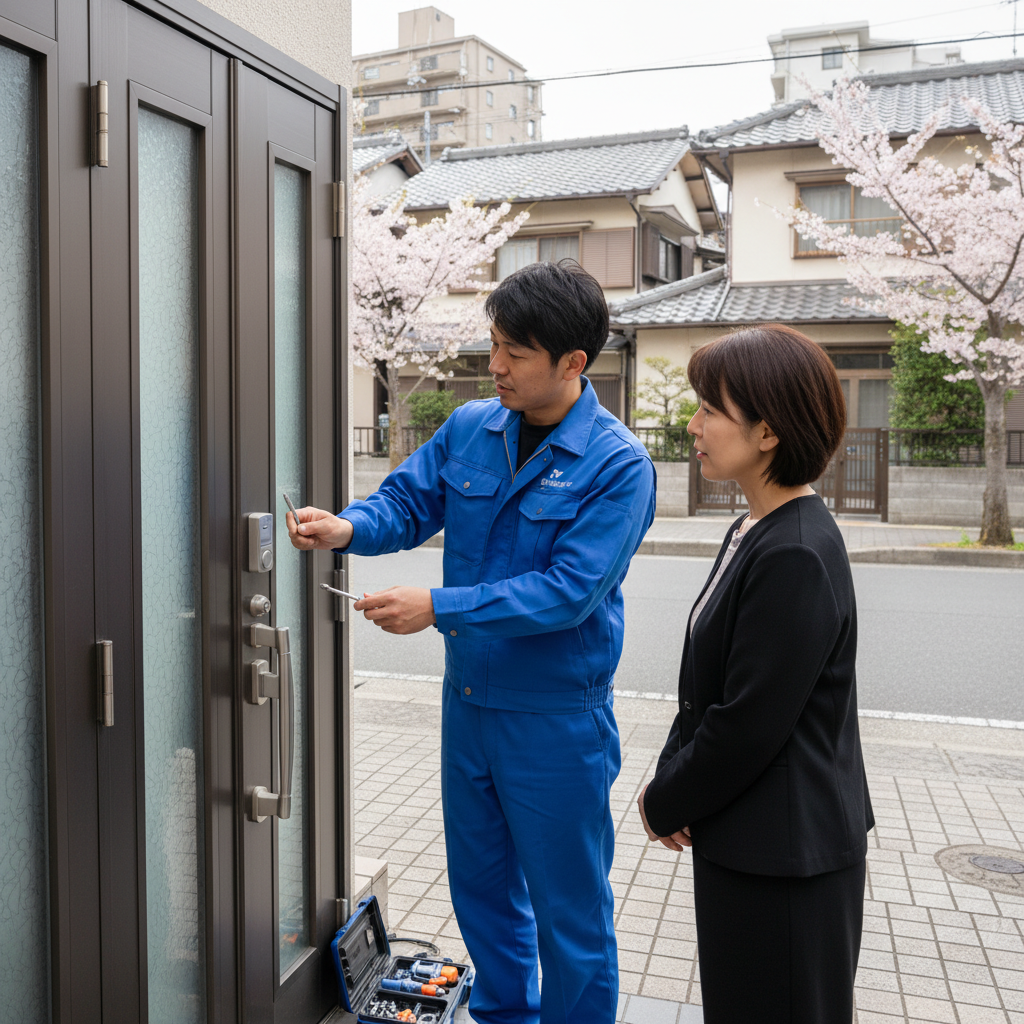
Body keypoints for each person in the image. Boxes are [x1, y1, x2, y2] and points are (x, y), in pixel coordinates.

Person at [291, 260, 656, 1024]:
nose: (494, 367)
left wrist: (439, 606)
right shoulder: (471, 429)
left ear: (572, 363)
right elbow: (408, 499)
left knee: (571, 918)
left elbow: (568, 591)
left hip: (556, 720)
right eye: (493, 345)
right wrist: (350, 527)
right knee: (483, 894)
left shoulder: (618, 465)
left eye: (514, 353)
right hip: (470, 708)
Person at [636, 325, 874, 1024]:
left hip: (786, 856)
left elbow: (748, 724)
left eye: (711, 408)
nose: (694, 423)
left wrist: (665, 799)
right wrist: (672, 777)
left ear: (767, 431)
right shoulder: (754, 528)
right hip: (751, 838)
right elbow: (706, 688)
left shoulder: (795, 550)